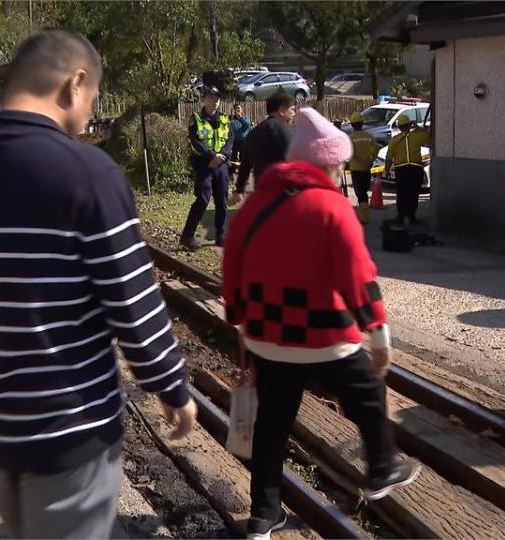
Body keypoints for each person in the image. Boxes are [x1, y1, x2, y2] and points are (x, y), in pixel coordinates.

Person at [0, 30, 196, 538]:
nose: (88, 115)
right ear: (74, 83)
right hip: (70, 434)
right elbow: (133, 301)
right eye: (93, 98)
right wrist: (170, 384)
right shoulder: (88, 173)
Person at [222, 108, 421, 540]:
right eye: (337, 164)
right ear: (326, 162)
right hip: (323, 335)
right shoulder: (332, 205)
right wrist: (379, 334)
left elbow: (231, 270)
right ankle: (383, 466)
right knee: (367, 394)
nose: (340, 172)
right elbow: (358, 276)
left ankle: (263, 515)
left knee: (273, 423)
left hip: (267, 338)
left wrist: (240, 320)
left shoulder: (254, 206)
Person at [180, 86, 232, 249]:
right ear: (205, 99)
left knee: (222, 201)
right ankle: (187, 235)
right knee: (203, 198)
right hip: (205, 165)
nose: (215, 102)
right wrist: (211, 156)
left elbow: (230, 140)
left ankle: (221, 234)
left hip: (221, 165)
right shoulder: (196, 119)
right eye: (212, 98)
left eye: (217, 99)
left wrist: (222, 155)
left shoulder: (225, 118)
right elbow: (195, 141)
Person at [230, 92, 295, 205]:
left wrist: (239, 190)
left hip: (262, 189)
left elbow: (245, 164)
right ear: (281, 110)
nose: (294, 114)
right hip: (285, 191)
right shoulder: (285, 131)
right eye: (292, 109)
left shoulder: (254, 132)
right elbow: (293, 160)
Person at [385, 115, 431, 226]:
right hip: (416, 168)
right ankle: (411, 216)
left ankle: (402, 216)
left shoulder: (394, 140)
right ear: (409, 125)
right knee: (413, 193)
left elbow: (389, 156)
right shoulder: (417, 136)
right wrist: (418, 128)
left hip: (402, 169)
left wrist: (386, 170)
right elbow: (429, 135)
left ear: (399, 127)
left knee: (402, 194)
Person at [348, 111, 381, 223]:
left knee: (360, 193)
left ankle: (364, 217)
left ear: (352, 125)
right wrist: (371, 159)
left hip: (356, 169)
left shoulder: (351, 137)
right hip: (367, 168)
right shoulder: (369, 136)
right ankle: (364, 216)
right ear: (362, 123)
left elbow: (349, 153)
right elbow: (377, 148)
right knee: (364, 192)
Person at [230, 103, 252, 176]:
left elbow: (246, 126)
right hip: (234, 141)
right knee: (233, 157)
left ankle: (243, 173)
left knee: (243, 157)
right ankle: (231, 172)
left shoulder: (245, 118)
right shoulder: (231, 119)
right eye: (236, 108)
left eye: (239, 108)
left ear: (241, 109)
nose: (237, 109)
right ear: (234, 110)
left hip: (244, 141)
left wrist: (240, 118)